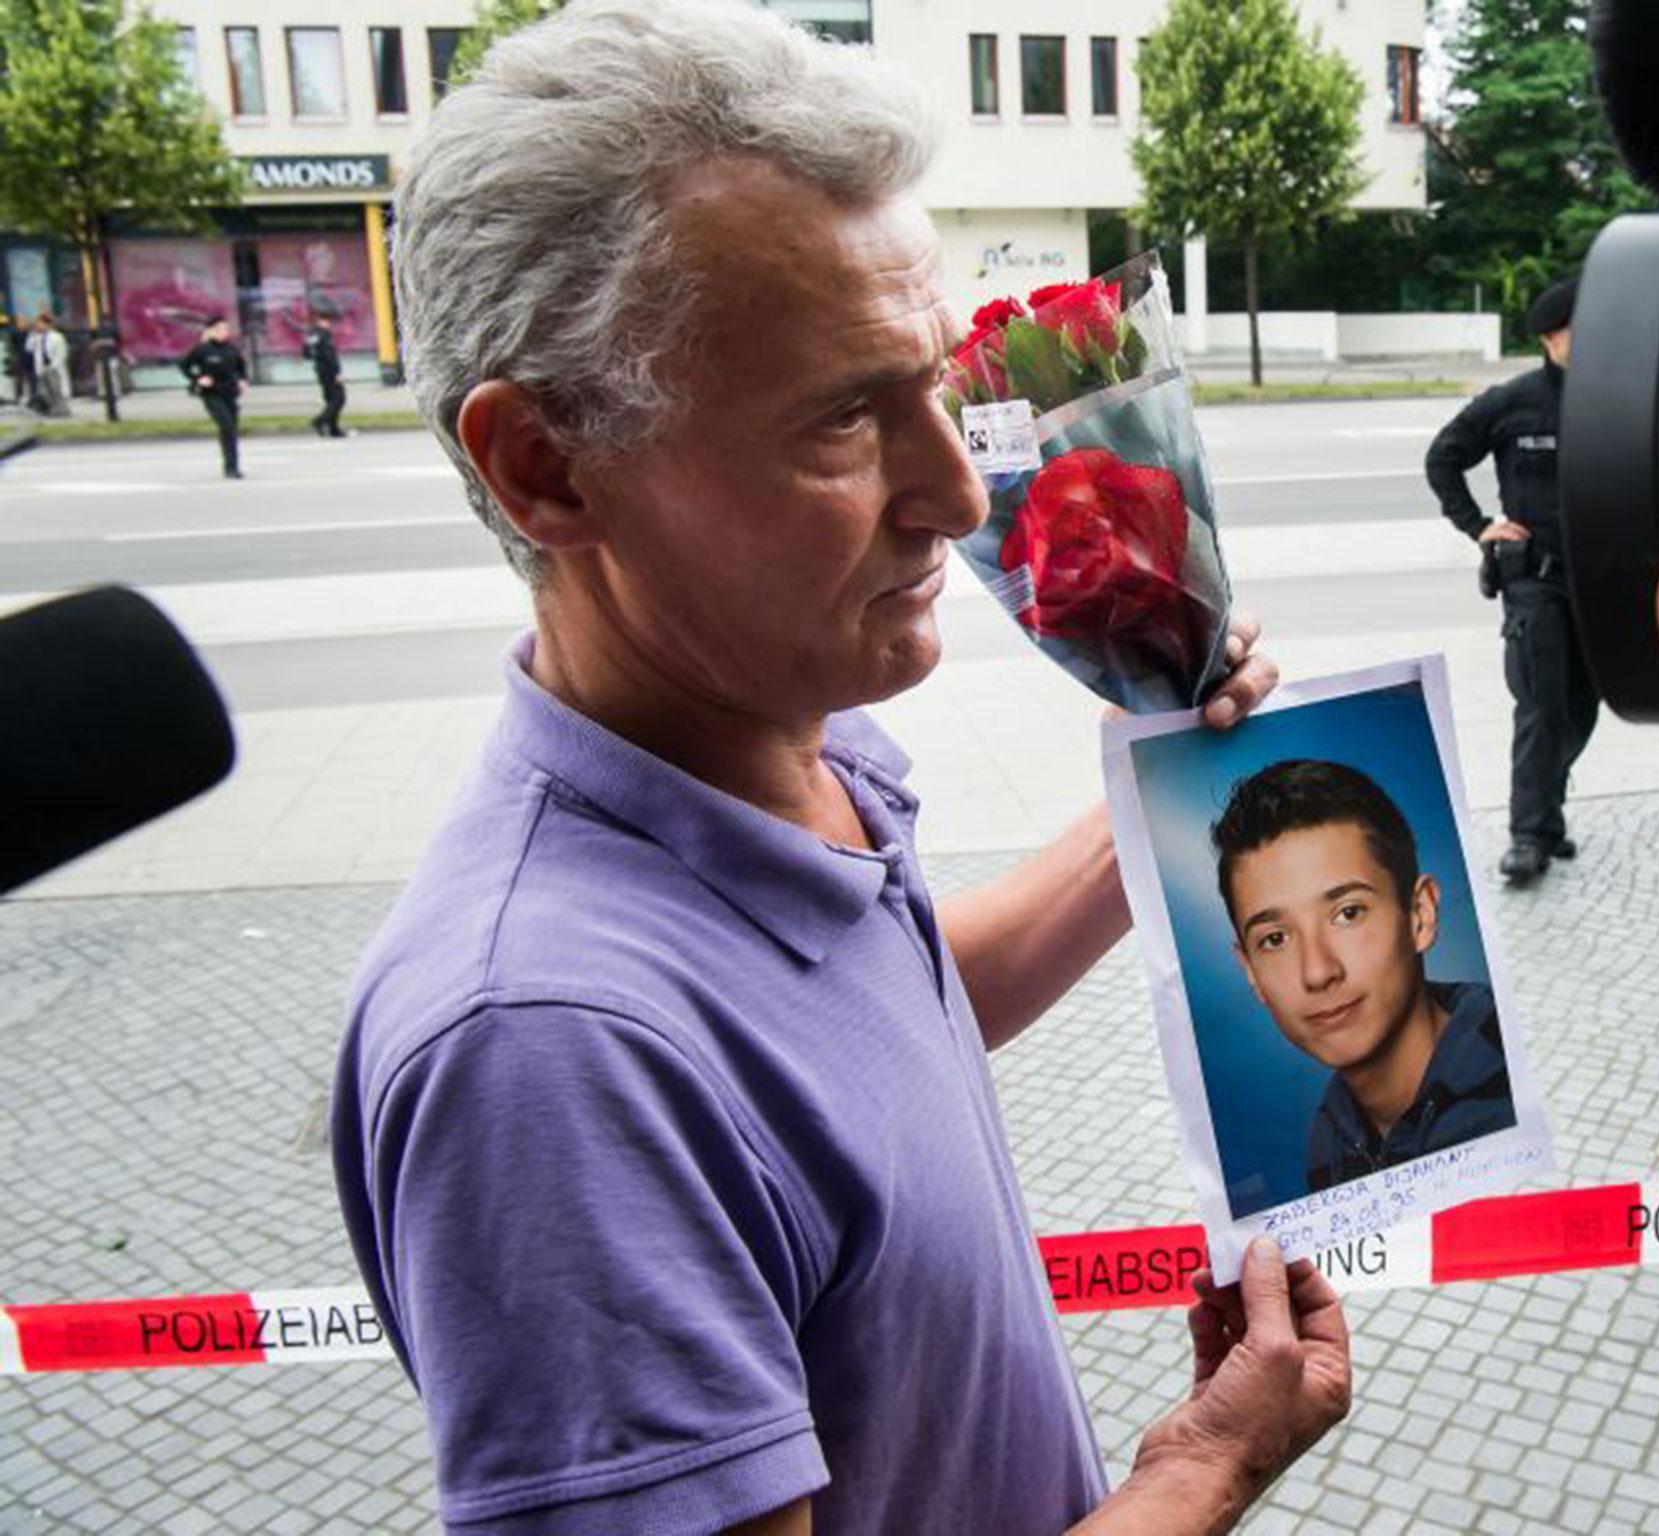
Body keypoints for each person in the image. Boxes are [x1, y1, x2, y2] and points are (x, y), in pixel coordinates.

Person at [330, 4, 1350, 1533]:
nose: (955, 492)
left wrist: (1157, 793)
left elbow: (872, 1028)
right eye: (842, 423)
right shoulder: (549, 1054)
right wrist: (1207, 1465)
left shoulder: (778, 760)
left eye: (935, 387)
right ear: (544, 466)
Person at [1212, 759, 1513, 1190]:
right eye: (1275, 939)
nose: (1317, 971)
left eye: (1347, 913)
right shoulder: (1330, 1139)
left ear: (1420, 915)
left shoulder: (1509, 1090)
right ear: (1251, 972)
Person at [1426, 275, 1598, 886]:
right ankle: (1528, 836)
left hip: (1598, 583)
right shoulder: (1513, 402)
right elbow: (1442, 457)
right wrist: (1479, 527)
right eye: (1584, 325)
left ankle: (1547, 815)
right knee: (1541, 706)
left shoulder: (1612, 396)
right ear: (1553, 336)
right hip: (1535, 583)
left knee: (1581, 708)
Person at [179, 316, 246, 479]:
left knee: (231, 431)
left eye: (227, 329)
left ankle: (233, 466)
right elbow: (184, 365)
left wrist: (243, 380)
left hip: (229, 394)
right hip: (212, 394)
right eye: (222, 329)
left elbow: (241, 367)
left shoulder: (232, 349)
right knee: (227, 426)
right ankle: (230, 468)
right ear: (212, 331)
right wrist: (198, 378)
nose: (225, 332)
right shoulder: (202, 349)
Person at [303, 310, 348, 437]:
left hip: (320, 370)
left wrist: (317, 358)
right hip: (329, 371)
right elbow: (330, 356)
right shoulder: (324, 335)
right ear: (320, 321)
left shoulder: (312, 335)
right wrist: (337, 373)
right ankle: (320, 421)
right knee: (339, 398)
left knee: (331, 399)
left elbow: (306, 353)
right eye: (327, 321)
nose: (330, 324)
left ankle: (333, 428)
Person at [25, 312, 71, 418]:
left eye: (40, 323)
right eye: (37, 323)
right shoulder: (36, 337)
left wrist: (54, 366)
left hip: (53, 367)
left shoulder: (57, 336)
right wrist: (32, 334)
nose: (38, 326)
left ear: (47, 324)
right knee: (44, 390)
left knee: (56, 389)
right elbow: (28, 348)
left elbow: (61, 353)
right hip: (41, 368)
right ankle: (51, 409)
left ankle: (62, 410)